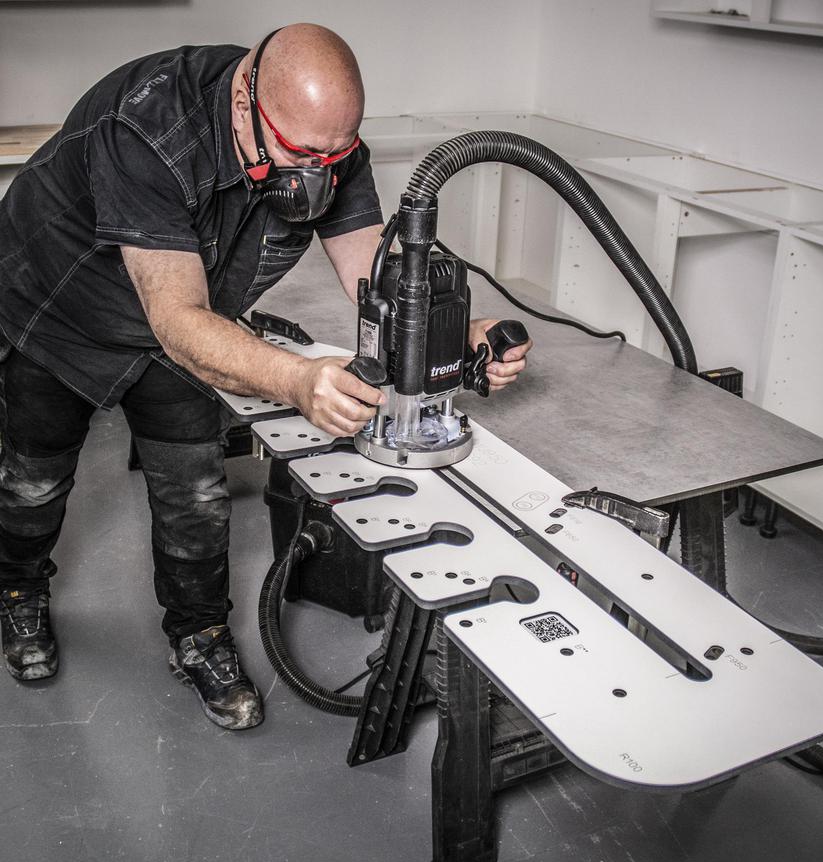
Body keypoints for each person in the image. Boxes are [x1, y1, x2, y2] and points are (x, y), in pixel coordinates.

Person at [0, 24, 532, 729]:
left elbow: (369, 270)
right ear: (246, 97)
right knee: (32, 481)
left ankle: (199, 635)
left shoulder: (324, 140)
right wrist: (295, 380)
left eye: (335, 157)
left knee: (195, 494)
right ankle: (17, 595)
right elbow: (177, 318)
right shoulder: (147, 130)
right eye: (302, 155)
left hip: (190, 321)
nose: (318, 174)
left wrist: (448, 330)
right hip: (59, 307)